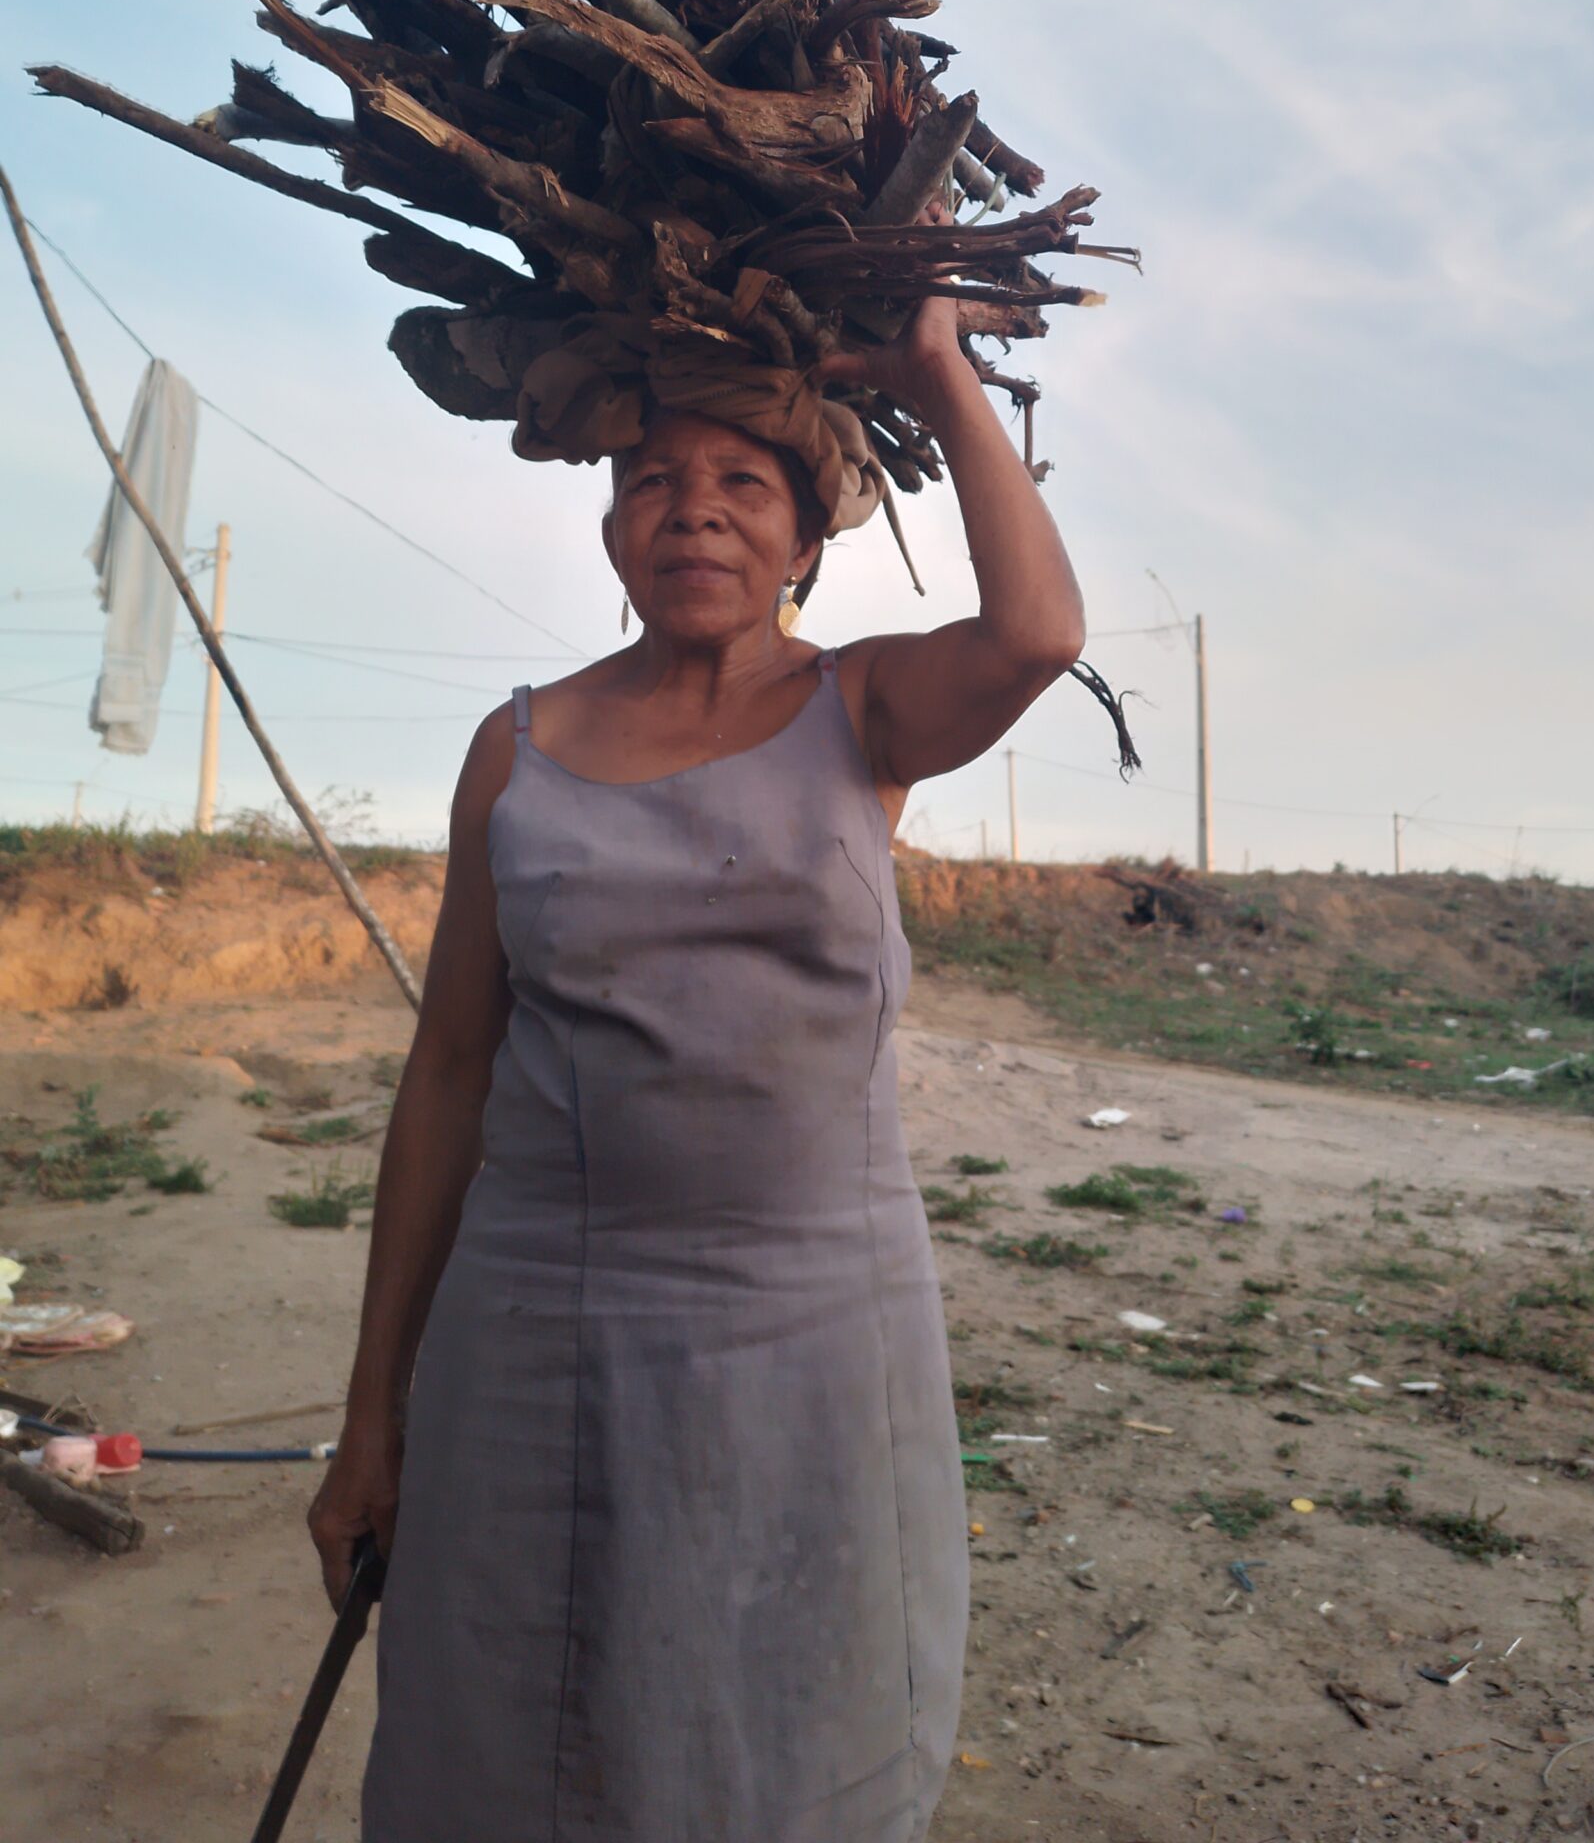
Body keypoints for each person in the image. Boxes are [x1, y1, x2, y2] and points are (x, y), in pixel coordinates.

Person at [308, 284, 1086, 1843]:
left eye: (744, 484)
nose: (695, 514)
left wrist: (937, 371)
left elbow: (1038, 634)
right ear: (608, 527)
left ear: (807, 535)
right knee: (521, 1728)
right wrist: (374, 1416)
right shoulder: (514, 749)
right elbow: (452, 1070)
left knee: (787, 1727)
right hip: (535, 1340)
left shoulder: (861, 709)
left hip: (812, 1337)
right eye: (654, 479)